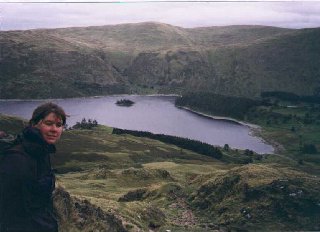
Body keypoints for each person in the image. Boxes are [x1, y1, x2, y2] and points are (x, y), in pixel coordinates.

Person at [0, 102, 67, 232]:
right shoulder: (17, 159)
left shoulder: (41, 152)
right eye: (48, 123)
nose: (54, 129)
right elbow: (11, 212)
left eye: (59, 125)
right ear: (34, 124)